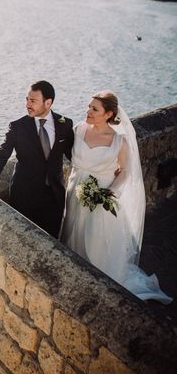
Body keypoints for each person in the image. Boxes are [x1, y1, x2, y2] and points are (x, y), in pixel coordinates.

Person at [60, 91, 172, 304]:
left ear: (109, 113)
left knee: (96, 240)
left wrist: (110, 192)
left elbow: (126, 172)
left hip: (100, 197)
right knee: (74, 232)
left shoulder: (118, 141)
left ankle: (99, 279)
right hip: (75, 193)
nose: (88, 111)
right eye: (88, 106)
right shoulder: (79, 129)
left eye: (95, 109)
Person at [0, 80, 74, 237]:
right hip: (24, 197)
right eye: (27, 99)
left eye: (33, 101)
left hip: (54, 198)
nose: (27, 104)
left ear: (48, 102)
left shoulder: (65, 124)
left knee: (53, 241)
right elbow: (2, 155)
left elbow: (73, 155)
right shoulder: (18, 127)